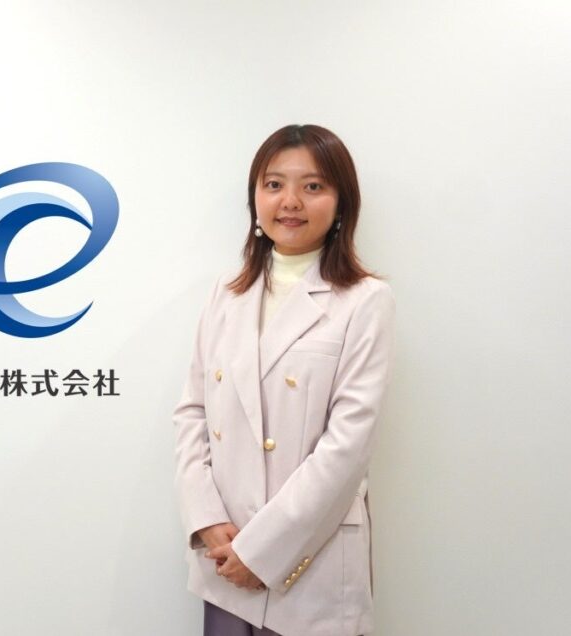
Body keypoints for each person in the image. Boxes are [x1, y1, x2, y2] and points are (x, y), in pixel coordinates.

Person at [173, 124, 395, 636]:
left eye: (313, 186)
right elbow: (192, 411)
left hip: (309, 561)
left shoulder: (365, 300)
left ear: (341, 203)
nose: (290, 201)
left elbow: (347, 446)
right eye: (274, 184)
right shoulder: (226, 294)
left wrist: (263, 551)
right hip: (224, 557)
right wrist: (207, 520)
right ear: (255, 198)